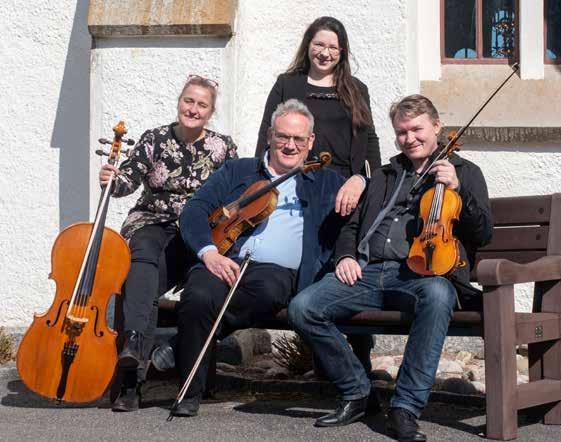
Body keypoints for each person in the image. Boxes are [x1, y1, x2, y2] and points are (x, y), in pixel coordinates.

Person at [288, 94, 492, 441]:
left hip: (420, 275)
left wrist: (458, 189)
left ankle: (405, 408)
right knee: (302, 308)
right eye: (401, 132)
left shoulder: (464, 172)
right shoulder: (384, 175)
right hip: (368, 272)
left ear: (436, 126)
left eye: (417, 129)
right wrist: (347, 256)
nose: (409, 138)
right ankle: (359, 392)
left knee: (438, 295)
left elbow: (482, 233)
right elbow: (351, 226)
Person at [170, 99, 345, 417]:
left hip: (276, 273)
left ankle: (181, 345)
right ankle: (189, 395)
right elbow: (195, 209)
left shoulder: (324, 180)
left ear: (311, 143)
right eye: (282, 137)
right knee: (198, 295)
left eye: (298, 139)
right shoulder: (239, 170)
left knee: (267, 291)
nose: (289, 146)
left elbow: (365, 198)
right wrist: (209, 253)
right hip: (225, 256)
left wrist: (361, 180)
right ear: (269, 136)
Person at [98, 74, 238, 412]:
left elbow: (234, 194)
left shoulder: (223, 147)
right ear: (179, 102)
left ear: (211, 111)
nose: (193, 108)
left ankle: (134, 375)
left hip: (196, 233)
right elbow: (126, 182)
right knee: (142, 257)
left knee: (143, 286)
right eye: (188, 101)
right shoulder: (154, 139)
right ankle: (133, 357)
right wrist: (110, 180)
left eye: (201, 104)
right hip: (152, 221)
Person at [256, 15, 381, 372]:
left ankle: (359, 351)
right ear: (308, 45)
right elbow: (268, 135)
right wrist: (262, 185)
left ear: (342, 53)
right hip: (302, 184)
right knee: (312, 263)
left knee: (346, 266)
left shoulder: (355, 88)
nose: (325, 53)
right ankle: (324, 357)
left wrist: (363, 180)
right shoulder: (287, 83)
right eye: (319, 44)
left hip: (345, 187)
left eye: (333, 47)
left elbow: (370, 142)